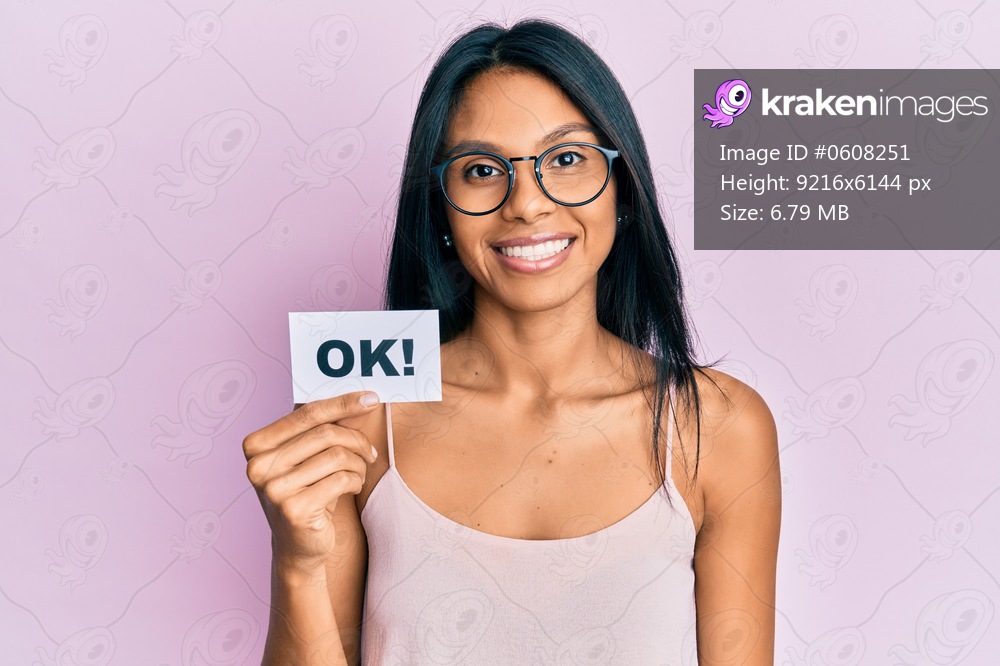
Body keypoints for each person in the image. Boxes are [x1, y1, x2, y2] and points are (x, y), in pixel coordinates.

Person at [243, 18, 780, 666]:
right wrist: (297, 562)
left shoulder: (719, 427)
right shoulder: (360, 414)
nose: (526, 204)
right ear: (440, 207)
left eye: (566, 159)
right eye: (481, 169)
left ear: (623, 190)